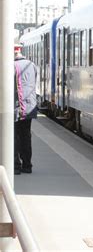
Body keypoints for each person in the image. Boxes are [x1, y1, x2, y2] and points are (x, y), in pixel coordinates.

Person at [14, 44, 38, 175]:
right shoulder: (31, 65)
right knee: (26, 135)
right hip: (29, 107)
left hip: (15, 107)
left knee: (14, 136)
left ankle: (16, 166)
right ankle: (27, 165)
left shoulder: (11, 66)